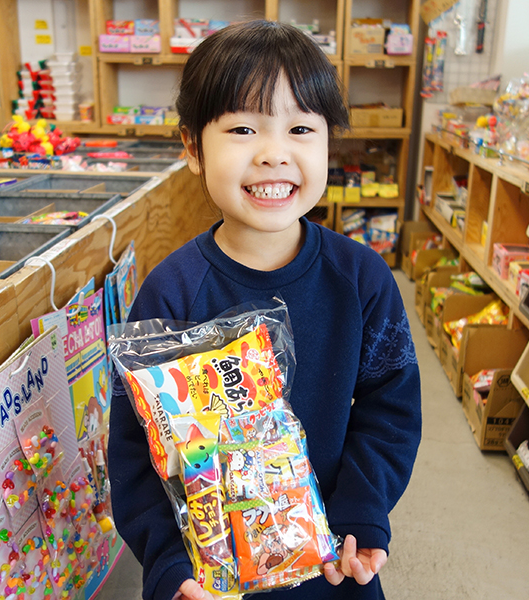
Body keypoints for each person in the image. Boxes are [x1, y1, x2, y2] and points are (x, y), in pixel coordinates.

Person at [108, 19, 422, 600]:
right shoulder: (172, 291)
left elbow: (391, 410)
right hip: (210, 580)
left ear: (330, 142)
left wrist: (362, 508)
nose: (274, 154)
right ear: (193, 148)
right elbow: (133, 449)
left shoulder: (362, 280)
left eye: (301, 128)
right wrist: (169, 564)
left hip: (332, 567)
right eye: (244, 128)